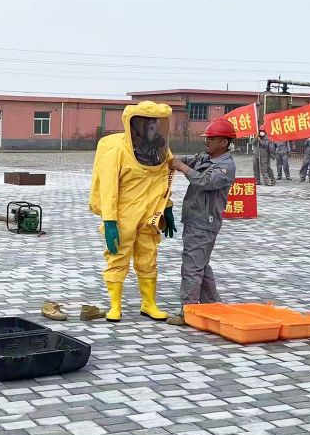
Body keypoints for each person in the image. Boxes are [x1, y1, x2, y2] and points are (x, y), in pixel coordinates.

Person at [89, 101, 176, 323]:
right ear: (135, 124)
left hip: (150, 214)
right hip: (124, 214)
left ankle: (149, 304)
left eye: (155, 123)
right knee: (118, 256)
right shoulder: (117, 151)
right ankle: (115, 306)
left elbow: (164, 180)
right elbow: (108, 187)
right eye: (147, 123)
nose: (152, 127)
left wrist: (167, 207)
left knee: (149, 257)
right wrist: (109, 221)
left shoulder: (161, 150)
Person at [166, 119, 237, 326]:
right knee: (200, 265)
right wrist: (171, 159)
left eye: (212, 139)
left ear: (224, 142)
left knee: (191, 268)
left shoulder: (225, 166)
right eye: (207, 138)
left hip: (204, 222)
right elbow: (188, 160)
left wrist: (181, 167)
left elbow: (205, 181)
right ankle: (213, 305)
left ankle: (188, 311)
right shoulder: (205, 157)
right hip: (195, 219)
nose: (207, 142)